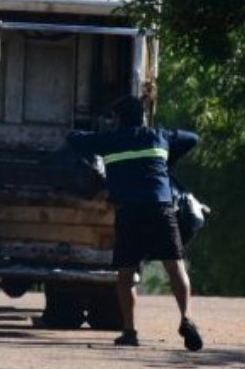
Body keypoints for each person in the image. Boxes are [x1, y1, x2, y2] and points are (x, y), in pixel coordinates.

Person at [66, 95, 203, 351]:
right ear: (142, 116)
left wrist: (100, 132)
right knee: (175, 267)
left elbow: (73, 138)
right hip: (161, 209)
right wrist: (166, 159)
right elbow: (192, 138)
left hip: (129, 212)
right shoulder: (159, 136)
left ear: (117, 119)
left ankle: (129, 332)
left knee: (126, 275)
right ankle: (186, 318)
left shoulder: (109, 140)